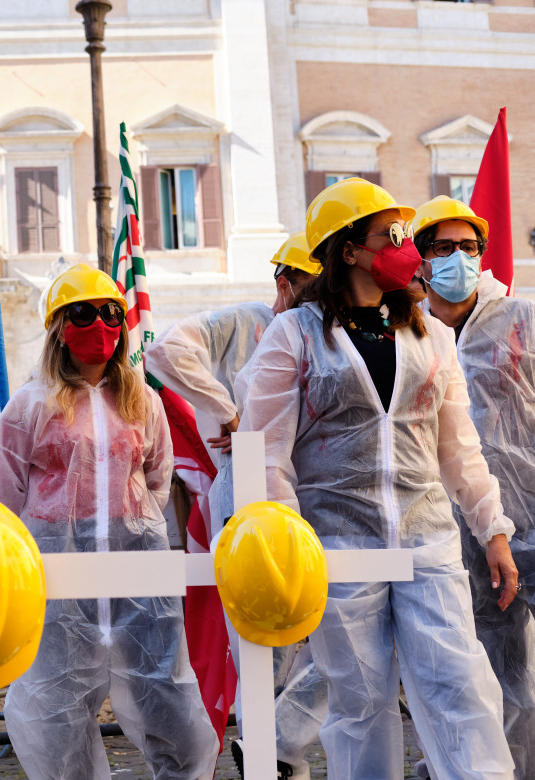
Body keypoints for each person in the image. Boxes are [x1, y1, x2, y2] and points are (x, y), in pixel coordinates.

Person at [236, 177, 518, 779]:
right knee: (359, 703)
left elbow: (459, 449)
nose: (407, 247)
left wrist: (493, 528)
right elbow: (263, 452)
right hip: (339, 547)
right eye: (391, 234)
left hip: (429, 542)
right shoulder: (296, 334)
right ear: (347, 250)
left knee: (460, 687)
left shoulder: (430, 333)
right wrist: (289, 537)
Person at [0, 263, 217, 780]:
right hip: (56, 566)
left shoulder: (142, 401)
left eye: (112, 313)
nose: (102, 325)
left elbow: (158, 479)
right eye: (85, 314)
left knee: (166, 687)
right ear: (59, 330)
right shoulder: (28, 405)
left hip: (137, 562)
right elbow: (2, 497)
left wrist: (131, 529)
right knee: (58, 698)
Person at [149, 232, 325, 780]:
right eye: (313, 292)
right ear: (284, 284)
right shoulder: (247, 322)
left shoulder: (332, 335)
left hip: (312, 490)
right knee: (259, 635)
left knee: (336, 629)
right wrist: (228, 413)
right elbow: (167, 349)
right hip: (246, 489)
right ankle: (268, 755)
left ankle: (276, 744)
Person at [412, 195, 535, 778]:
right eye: (444, 248)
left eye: (469, 247)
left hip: (533, 509)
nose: (458, 257)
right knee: (494, 664)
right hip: (461, 525)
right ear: (420, 258)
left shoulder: (519, 319)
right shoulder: (410, 333)